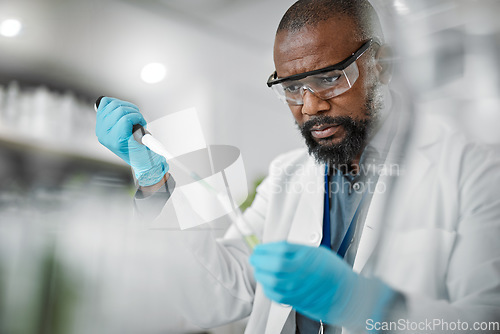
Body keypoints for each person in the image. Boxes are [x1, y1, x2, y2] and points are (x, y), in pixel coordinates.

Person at [95, 0, 500, 333]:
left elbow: (487, 322)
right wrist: (154, 183)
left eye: (329, 78)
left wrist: (364, 304)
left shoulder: (473, 171)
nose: (310, 107)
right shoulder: (287, 177)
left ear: (381, 66)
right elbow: (217, 295)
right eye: (292, 88)